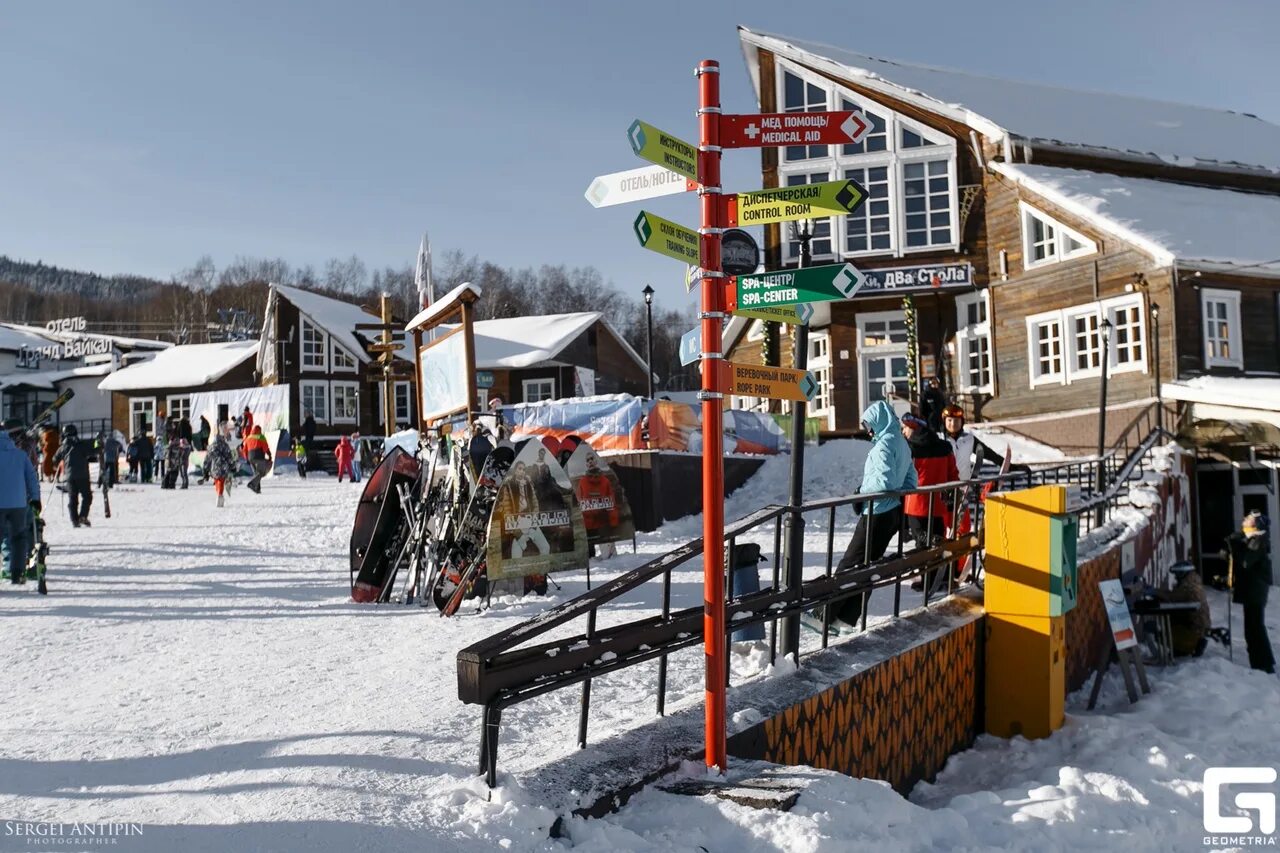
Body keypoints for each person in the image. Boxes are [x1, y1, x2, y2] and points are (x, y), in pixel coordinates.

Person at [831, 400, 917, 627]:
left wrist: (860, 493)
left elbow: (883, 483)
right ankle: (846, 619)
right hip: (893, 514)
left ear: (879, 421)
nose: (868, 431)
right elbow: (911, 481)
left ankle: (825, 614)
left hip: (877, 511)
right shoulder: (902, 443)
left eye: (869, 425)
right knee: (869, 569)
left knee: (849, 565)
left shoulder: (884, 446)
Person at [901, 414, 959, 592]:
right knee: (938, 542)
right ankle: (941, 577)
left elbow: (904, 478)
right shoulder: (944, 446)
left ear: (913, 428)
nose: (903, 432)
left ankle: (927, 581)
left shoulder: (909, 449)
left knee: (921, 544)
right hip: (938, 504)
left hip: (915, 504)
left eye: (905, 428)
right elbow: (953, 475)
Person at [1226, 512, 1275, 674]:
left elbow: (1246, 561)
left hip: (1255, 590)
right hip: (1252, 589)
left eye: (1248, 519)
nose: (1244, 520)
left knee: (1255, 628)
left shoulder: (1257, 540)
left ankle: (1263, 664)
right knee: (1252, 628)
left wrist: (1235, 544)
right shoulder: (1250, 538)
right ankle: (1260, 662)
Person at [1, 419, 40, 583]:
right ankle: (18, 573)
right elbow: (32, 478)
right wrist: (36, 499)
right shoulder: (20, 454)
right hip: (19, 503)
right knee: (19, 538)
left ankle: (8, 568)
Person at [1153, 561, 1211, 657]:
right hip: (1199, 633)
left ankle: (1184, 648)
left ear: (1182, 574)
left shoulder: (1188, 587)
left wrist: (1154, 592)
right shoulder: (1194, 583)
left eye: (1177, 574)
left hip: (1194, 634)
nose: (1175, 577)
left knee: (1160, 635)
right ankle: (1184, 647)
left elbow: (1172, 596)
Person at [942, 404, 1007, 481]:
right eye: (949, 420)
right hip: (944, 487)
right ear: (944, 421)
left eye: (956, 420)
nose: (953, 424)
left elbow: (988, 453)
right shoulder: (938, 439)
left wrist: (1004, 463)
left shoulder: (969, 439)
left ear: (961, 422)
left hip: (963, 486)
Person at [53, 424, 94, 527]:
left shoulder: (63, 447)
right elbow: (93, 451)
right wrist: (98, 443)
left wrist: (58, 464)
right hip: (82, 475)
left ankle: (74, 520)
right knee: (87, 496)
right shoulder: (81, 444)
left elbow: (54, 459)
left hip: (70, 476)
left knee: (72, 498)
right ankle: (83, 516)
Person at [206, 422, 237, 508]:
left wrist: (205, 469)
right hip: (223, 467)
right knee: (221, 481)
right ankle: (220, 494)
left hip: (214, 467)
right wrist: (233, 467)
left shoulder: (211, 446)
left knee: (217, 480)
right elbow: (229, 457)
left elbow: (207, 458)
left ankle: (219, 494)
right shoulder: (225, 445)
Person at [242, 425, 272, 494]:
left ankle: (257, 489)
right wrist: (269, 455)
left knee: (256, 474)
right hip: (259, 457)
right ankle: (252, 484)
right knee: (261, 473)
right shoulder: (261, 436)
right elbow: (265, 447)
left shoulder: (248, 437)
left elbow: (244, 450)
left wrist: (246, 458)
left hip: (250, 458)